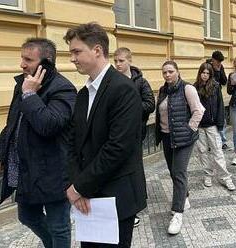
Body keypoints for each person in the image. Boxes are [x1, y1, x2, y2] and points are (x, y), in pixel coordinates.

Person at [64, 23, 147, 247]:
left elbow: (117, 148)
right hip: (87, 197)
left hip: (115, 198)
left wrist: (79, 187)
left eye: (76, 51)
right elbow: (73, 143)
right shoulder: (83, 94)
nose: (72, 58)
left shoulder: (123, 89)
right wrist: (76, 185)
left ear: (97, 50)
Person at [0, 38, 77, 248]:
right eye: (21, 58)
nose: (22, 64)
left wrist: (30, 94)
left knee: (59, 226)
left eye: (28, 59)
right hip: (27, 171)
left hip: (54, 173)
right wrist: (2, 152)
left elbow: (48, 125)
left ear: (46, 62)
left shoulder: (63, 89)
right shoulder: (24, 84)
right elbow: (13, 124)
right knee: (27, 217)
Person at [155, 60, 204, 235]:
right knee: (172, 171)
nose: (167, 75)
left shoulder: (187, 88)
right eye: (164, 72)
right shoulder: (163, 90)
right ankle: (185, 197)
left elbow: (199, 110)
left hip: (184, 139)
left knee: (179, 171)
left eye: (170, 71)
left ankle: (178, 213)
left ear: (177, 71)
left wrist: (189, 128)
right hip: (167, 137)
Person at [113, 47, 155, 227]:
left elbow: (150, 104)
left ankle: (134, 206)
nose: (118, 64)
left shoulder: (141, 82)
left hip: (135, 134)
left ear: (130, 60)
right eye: (115, 61)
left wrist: (130, 108)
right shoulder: (111, 81)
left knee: (134, 170)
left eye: (121, 61)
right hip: (115, 134)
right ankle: (121, 206)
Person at [194, 62, 236, 190]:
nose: (205, 75)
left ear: (210, 74)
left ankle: (226, 178)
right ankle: (208, 174)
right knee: (202, 151)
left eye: (207, 73)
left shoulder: (216, 86)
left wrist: (220, 123)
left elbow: (220, 105)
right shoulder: (194, 87)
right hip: (200, 125)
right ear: (200, 73)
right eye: (203, 73)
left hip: (212, 125)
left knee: (217, 151)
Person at [210, 50, 229, 150]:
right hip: (208, 96)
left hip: (218, 95)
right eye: (218, 62)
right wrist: (215, 71)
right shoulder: (206, 67)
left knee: (221, 116)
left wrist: (218, 71)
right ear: (213, 60)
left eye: (220, 62)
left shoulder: (220, 67)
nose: (219, 64)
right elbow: (210, 81)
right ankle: (211, 143)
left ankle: (223, 141)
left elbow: (224, 81)